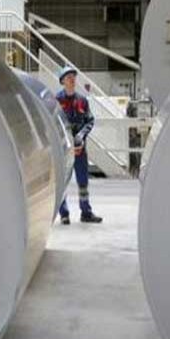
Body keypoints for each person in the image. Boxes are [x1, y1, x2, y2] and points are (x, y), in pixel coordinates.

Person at [56, 66, 103, 225]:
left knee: (83, 181)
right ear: (62, 81)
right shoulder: (57, 101)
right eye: (68, 77)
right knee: (62, 181)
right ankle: (64, 213)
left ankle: (86, 212)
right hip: (64, 149)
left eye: (73, 77)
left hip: (80, 149)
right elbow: (55, 122)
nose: (72, 79)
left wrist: (81, 135)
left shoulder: (82, 101)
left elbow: (90, 120)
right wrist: (67, 138)